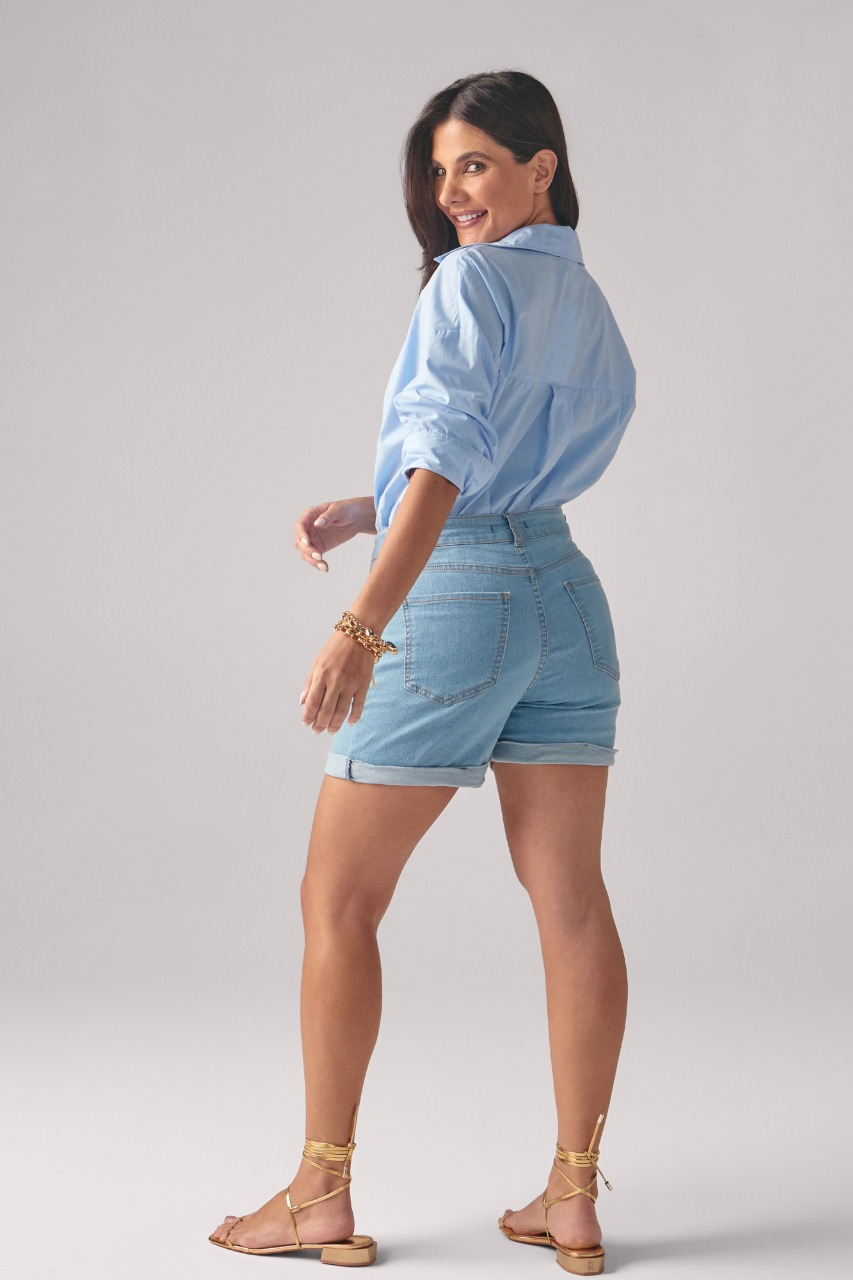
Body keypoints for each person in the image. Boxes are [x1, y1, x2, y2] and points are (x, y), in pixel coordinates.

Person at [209, 68, 636, 1276]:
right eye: (440, 171)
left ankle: (317, 1193)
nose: (450, 192)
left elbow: (448, 461)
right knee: (572, 902)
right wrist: (372, 503)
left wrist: (360, 622)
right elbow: (504, 456)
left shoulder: (468, 281)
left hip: (455, 597)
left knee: (336, 900)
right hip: (564, 594)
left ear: (541, 166)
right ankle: (572, 1197)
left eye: (474, 164)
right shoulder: (580, 293)